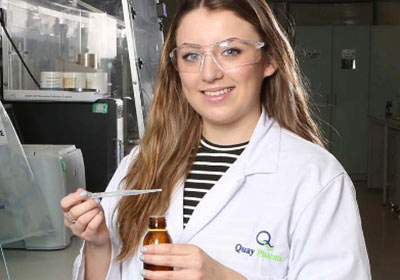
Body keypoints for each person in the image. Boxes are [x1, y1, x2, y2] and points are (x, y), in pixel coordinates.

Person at [61, 0, 371, 279]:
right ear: (177, 68)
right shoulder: (142, 162)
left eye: (231, 51)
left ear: (269, 60)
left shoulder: (316, 178)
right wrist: (99, 244)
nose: (209, 74)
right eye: (192, 55)